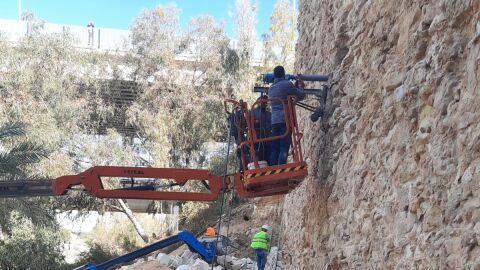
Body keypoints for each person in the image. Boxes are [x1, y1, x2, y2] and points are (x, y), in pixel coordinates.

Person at [268, 66, 305, 166]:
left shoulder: (270, 89)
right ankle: (281, 168)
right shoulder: (287, 85)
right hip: (285, 120)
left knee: (275, 147)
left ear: (274, 75)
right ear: (284, 73)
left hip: (274, 121)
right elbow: (301, 95)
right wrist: (300, 86)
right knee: (284, 146)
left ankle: (272, 168)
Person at [251, 95, 271, 164]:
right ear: (258, 102)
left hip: (268, 140)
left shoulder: (269, 114)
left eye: (265, 101)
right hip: (257, 140)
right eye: (262, 101)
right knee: (259, 158)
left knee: (268, 157)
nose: (264, 103)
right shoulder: (252, 112)